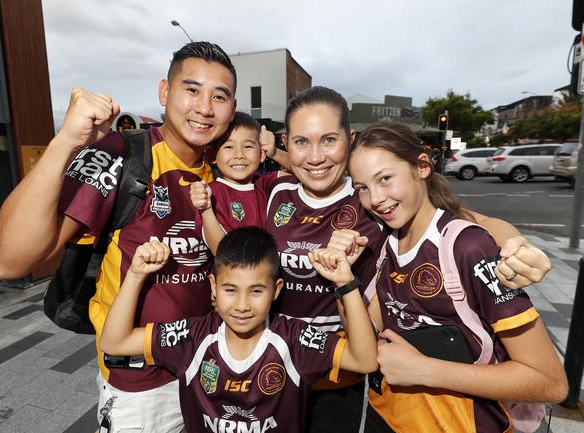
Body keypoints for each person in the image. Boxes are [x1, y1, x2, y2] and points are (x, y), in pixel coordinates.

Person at [259, 86, 553, 433]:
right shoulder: (276, 191)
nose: (316, 157)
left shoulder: (369, 199)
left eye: (328, 140)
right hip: (285, 368)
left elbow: (470, 223)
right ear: (286, 143)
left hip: (346, 379)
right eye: (301, 142)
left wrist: (514, 246)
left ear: (349, 140)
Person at [0, 42, 237, 432]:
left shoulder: (226, 169)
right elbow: (8, 262)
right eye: (192, 90)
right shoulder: (121, 155)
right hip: (140, 387)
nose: (205, 107)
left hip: (208, 371)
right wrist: (66, 144)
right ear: (164, 92)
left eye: (219, 96)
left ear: (232, 108)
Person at [344, 122, 567, 433]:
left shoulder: (468, 247)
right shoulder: (382, 240)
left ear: (422, 167)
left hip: (463, 423)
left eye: (385, 178)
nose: (376, 198)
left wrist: (424, 370)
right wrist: (342, 279)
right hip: (388, 417)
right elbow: (373, 333)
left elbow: (549, 382)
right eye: (362, 188)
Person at [99, 227, 378, 433]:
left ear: (276, 290)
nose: (242, 305)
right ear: (213, 287)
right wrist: (136, 276)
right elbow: (115, 342)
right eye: (230, 290)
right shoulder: (194, 338)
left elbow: (364, 360)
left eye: (256, 291)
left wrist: (345, 281)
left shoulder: (293, 340)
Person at [190, 112, 280, 253]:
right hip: (232, 274)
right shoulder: (210, 194)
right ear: (212, 155)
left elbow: (303, 171)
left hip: (267, 273)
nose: (239, 155)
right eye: (229, 147)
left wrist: (275, 153)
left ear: (262, 154)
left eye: (248, 147)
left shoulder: (266, 184)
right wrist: (206, 210)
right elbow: (219, 250)